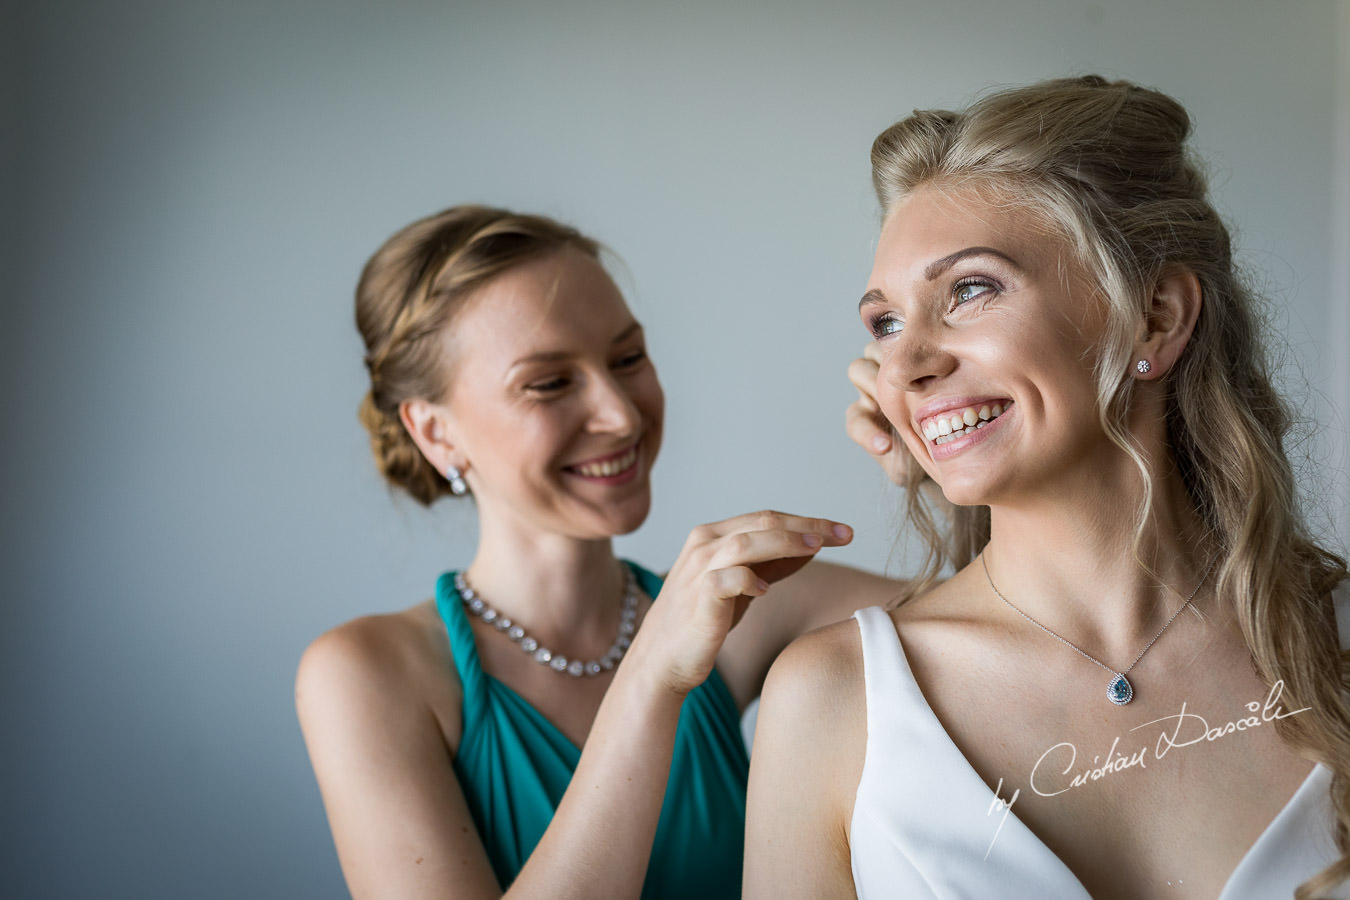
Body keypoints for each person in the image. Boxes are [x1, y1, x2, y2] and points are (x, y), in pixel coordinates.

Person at [744, 76, 1350, 899]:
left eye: (970, 290)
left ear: (1155, 317)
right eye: (885, 324)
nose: (905, 364)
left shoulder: (1335, 648)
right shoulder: (834, 700)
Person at [295, 205, 900, 898]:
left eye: (628, 358)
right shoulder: (366, 674)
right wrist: (650, 674)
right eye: (549, 382)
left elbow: (1017, 619)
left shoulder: (749, 606)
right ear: (435, 433)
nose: (621, 414)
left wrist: (934, 465)